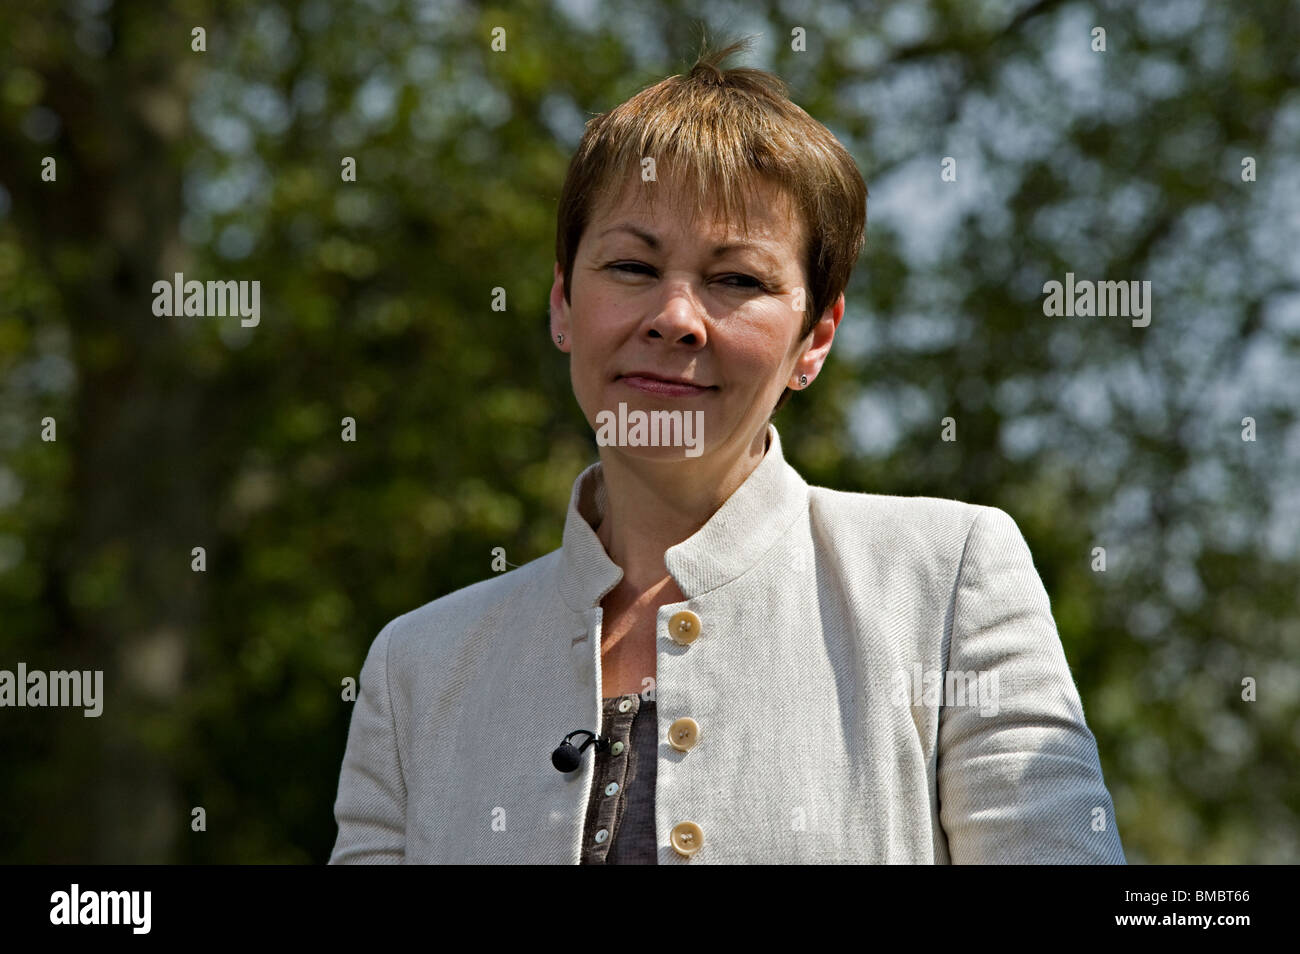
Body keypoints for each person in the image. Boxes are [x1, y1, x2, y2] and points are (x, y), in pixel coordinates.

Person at [329, 36, 1126, 865]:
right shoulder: (416, 669)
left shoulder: (947, 581)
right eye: (632, 265)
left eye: (737, 280)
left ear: (815, 339)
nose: (676, 316)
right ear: (563, 303)